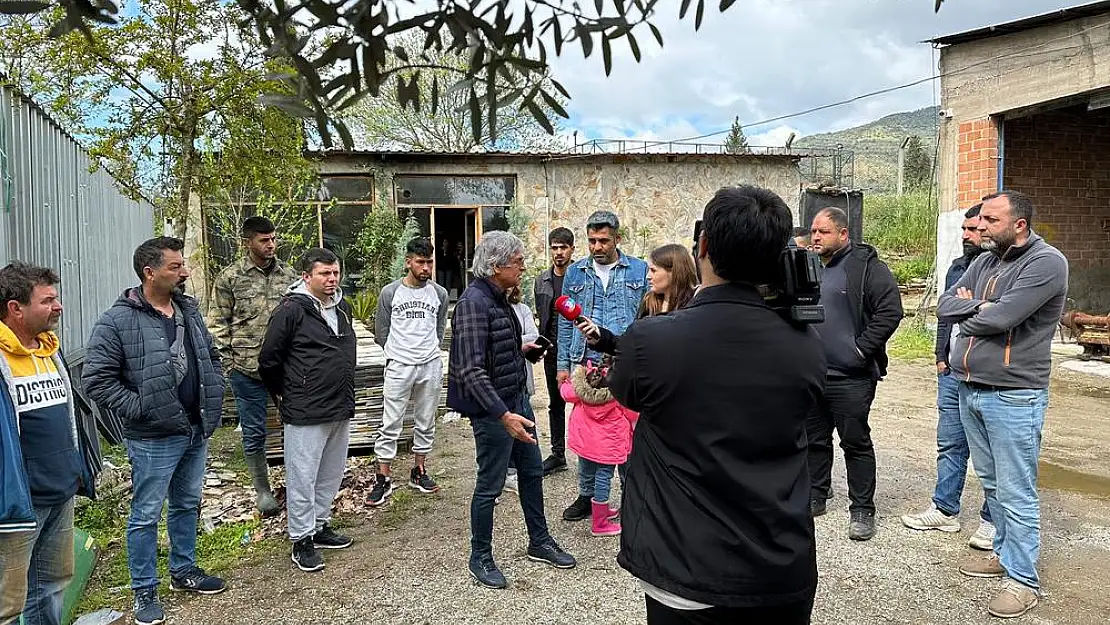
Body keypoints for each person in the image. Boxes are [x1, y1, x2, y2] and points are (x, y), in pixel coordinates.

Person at [608, 186, 823, 624]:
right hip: (781, 570)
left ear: (702, 245)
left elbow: (625, 392)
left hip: (687, 570)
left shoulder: (651, 341)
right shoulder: (807, 345)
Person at [936, 191, 1068, 619]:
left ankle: (1023, 580)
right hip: (970, 386)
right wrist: (981, 305)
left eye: (991, 221)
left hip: (1013, 394)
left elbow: (1000, 319)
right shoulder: (985, 259)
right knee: (993, 486)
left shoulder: (1045, 263)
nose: (981, 227)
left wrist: (976, 310)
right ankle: (1004, 555)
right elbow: (944, 305)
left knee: (1015, 490)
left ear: (1020, 225)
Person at [83, 237, 226, 625]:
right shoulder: (117, 320)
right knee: (146, 515)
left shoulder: (187, 310)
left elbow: (208, 353)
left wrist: (214, 382)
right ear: (150, 273)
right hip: (152, 437)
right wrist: (141, 408)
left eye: (182, 265)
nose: (185, 272)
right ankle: (144, 589)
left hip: (195, 428)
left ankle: (183, 571)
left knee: (186, 504)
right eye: (175, 267)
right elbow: (96, 380)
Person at [446, 231, 576, 590]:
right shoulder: (473, 302)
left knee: (533, 472)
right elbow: (470, 369)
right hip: (495, 412)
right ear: (496, 265)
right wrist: (502, 416)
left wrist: (524, 351)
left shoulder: (499, 297)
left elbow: (496, 348)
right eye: (517, 261)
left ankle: (539, 541)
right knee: (490, 484)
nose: (522, 266)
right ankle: (480, 556)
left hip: (516, 401)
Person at [0, 262, 98, 625]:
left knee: (50, 587)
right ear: (15, 308)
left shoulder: (50, 352)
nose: (58, 307)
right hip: (17, 504)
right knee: (7, 604)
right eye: (48, 300)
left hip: (60, 491)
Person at [807, 206, 903, 541]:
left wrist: (860, 350)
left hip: (850, 376)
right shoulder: (813, 268)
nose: (816, 236)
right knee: (815, 439)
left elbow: (890, 311)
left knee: (855, 441)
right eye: (814, 231)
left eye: (824, 231)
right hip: (815, 373)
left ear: (844, 234)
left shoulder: (865, 267)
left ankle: (862, 509)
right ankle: (817, 495)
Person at [258, 248, 357, 573]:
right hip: (305, 408)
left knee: (330, 472)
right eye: (324, 274)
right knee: (303, 476)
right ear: (306, 276)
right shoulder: (291, 309)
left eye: (335, 273)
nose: (332, 279)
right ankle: (301, 539)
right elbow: (269, 359)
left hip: (338, 405)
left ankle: (320, 524)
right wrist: (286, 394)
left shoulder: (342, 307)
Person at [901, 203, 994, 549]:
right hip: (951, 371)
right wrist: (940, 355)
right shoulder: (957, 268)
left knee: (990, 451)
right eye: (965, 230)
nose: (968, 236)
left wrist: (968, 305)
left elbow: (995, 317)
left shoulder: (1002, 269)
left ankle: (991, 520)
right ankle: (944, 509)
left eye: (975, 230)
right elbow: (945, 311)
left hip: (985, 372)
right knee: (950, 442)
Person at [556, 210, 647, 522]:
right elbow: (565, 322)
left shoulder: (639, 269)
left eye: (603, 240)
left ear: (617, 239)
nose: (597, 246)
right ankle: (587, 496)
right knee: (587, 433)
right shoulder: (576, 273)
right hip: (586, 364)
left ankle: (629, 495)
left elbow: (646, 317)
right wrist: (563, 365)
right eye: (592, 240)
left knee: (625, 430)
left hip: (625, 361)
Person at [207, 216, 299, 517]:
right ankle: (263, 490)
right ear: (248, 242)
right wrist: (229, 364)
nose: (271, 245)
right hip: (247, 369)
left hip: (287, 368)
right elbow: (218, 323)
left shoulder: (290, 276)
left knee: (297, 426)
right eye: (264, 240)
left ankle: (297, 483)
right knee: (254, 432)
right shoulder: (230, 278)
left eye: (273, 239)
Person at [369, 238, 448, 506]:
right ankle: (383, 476)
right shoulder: (390, 293)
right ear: (408, 262)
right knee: (391, 421)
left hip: (429, 364)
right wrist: (396, 353)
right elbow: (381, 331)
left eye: (429, 262)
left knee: (426, 419)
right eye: (420, 262)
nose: (426, 268)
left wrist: (429, 352)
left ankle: (419, 470)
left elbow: (439, 329)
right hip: (399, 364)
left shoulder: (439, 294)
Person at [561, 354, 637, 538]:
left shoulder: (582, 387)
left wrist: (565, 383)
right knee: (604, 478)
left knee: (586, 472)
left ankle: (593, 506)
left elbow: (567, 393)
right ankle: (600, 522)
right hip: (608, 445)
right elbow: (633, 414)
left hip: (585, 442)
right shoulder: (618, 394)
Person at [579, 242, 698, 354]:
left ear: (674, 272)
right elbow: (629, 345)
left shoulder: (694, 305)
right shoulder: (649, 303)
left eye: (653, 270)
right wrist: (599, 335)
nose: (648, 276)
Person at [533, 227, 575, 476]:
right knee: (555, 404)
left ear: (572, 249)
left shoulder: (581, 277)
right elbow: (544, 319)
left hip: (578, 350)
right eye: (554, 248)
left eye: (563, 247)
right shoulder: (542, 280)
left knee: (585, 405)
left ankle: (589, 454)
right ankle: (558, 454)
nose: (558, 253)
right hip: (552, 351)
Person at [504, 285, 541, 495]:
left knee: (524, 425)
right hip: (499, 380)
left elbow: (533, 337)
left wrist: (508, 343)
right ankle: (504, 473)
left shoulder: (522, 309)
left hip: (520, 377)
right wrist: (520, 342)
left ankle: (516, 471)